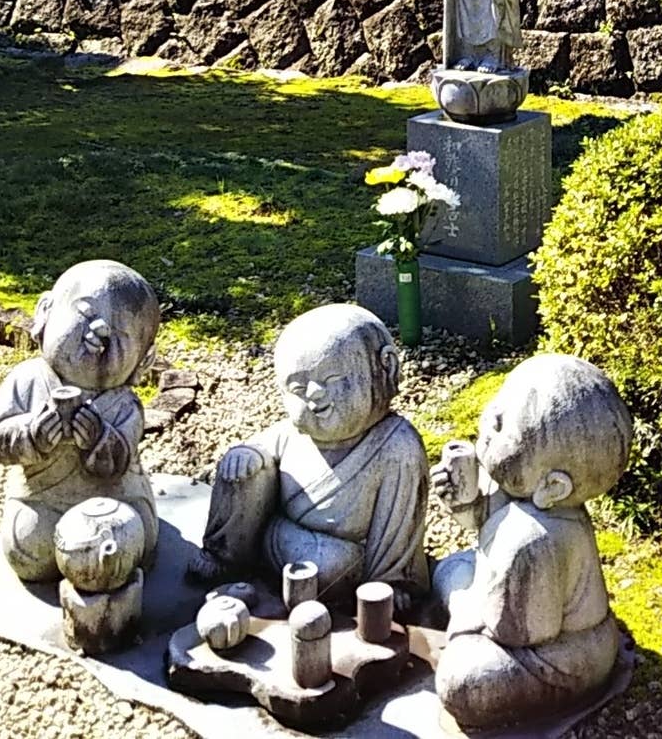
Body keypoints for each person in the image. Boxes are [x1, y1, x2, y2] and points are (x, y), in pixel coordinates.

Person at [431, 353, 632, 730]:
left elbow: (517, 634)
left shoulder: (532, 542)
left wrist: (467, 610)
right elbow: (483, 526)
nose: (488, 421)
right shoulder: (524, 492)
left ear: (552, 486)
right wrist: (467, 501)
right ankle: (463, 602)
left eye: (504, 425)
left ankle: (460, 610)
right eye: (498, 406)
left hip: (561, 656)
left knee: (461, 681)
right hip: (515, 608)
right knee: (451, 567)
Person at [191, 304, 429, 609]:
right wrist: (246, 455)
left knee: (329, 567)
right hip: (273, 531)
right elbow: (257, 453)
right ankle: (223, 555)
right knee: (242, 465)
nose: (314, 394)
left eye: (331, 379)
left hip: (338, 554)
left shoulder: (397, 444)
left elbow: (397, 524)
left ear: (386, 368)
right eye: (297, 387)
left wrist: (387, 579)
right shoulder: (291, 433)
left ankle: (380, 583)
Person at [0, 260, 160, 582]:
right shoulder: (28, 379)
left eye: (120, 332)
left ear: (143, 361)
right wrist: (31, 436)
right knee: (27, 550)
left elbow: (119, 462)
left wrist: (99, 439)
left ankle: (99, 575)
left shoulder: (124, 403)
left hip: (114, 500)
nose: (100, 331)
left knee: (131, 541)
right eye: (86, 313)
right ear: (44, 312)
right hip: (43, 498)